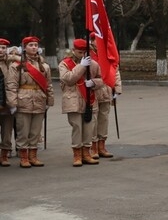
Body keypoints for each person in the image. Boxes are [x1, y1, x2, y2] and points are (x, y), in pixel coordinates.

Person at [5, 36, 55, 167]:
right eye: (30, 45)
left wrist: (49, 101)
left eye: (35, 45)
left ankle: (33, 156)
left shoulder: (44, 66)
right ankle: (24, 157)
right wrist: (12, 103)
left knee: (35, 132)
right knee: (23, 131)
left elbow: (48, 85)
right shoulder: (16, 65)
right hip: (23, 100)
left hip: (39, 100)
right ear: (24, 48)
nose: (34, 47)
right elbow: (11, 85)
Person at [58, 38, 104, 167]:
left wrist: (94, 83)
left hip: (89, 100)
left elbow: (102, 79)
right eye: (79, 52)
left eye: (85, 52)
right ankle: (77, 155)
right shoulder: (65, 64)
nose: (83, 55)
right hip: (73, 100)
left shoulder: (94, 64)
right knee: (77, 127)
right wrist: (81, 66)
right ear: (73, 51)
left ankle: (86, 153)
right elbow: (68, 79)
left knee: (89, 128)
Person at [88, 36, 121, 161]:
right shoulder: (88, 53)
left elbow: (115, 71)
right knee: (93, 120)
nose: (99, 42)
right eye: (96, 39)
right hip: (94, 91)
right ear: (92, 41)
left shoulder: (108, 53)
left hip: (107, 89)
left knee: (104, 119)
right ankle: (93, 146)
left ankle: (102, 145)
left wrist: (117, 89)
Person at [0, 38, 19, 166]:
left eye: (3, 48)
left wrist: (14, 57)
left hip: (8, 102)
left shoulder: (11, 62)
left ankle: (4, 154)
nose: (1, 50)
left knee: (7, 131)